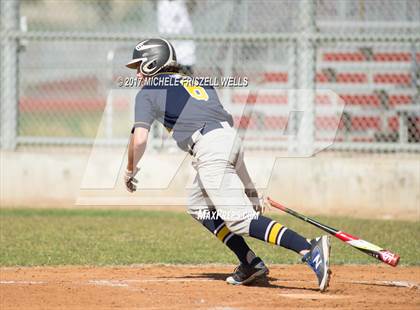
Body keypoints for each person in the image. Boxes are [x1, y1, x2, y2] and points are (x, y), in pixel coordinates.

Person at [124, 38, 332, 291]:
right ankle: (250, 262)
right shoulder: (199, 82)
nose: (136, 73)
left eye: (139, 65)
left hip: (210, 148)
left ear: (152, 63)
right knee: (198, 205)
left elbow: (139, 139)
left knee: (239, 220)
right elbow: (224, 134)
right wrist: (250, 189)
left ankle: (309, 248)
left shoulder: (148, 92)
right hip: (228, 140)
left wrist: (130, 170)